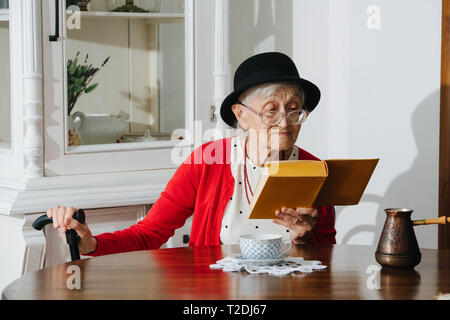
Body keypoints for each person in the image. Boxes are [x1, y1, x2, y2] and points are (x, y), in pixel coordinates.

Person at [47, 52, 336, 257]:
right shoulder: (208, 161)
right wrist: (92, 244)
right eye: (271, 110)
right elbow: (150, 233)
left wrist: (304, 237)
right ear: (241, 115)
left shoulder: (314, 169)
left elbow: (330, 257)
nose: (285, 122)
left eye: (294, 110)